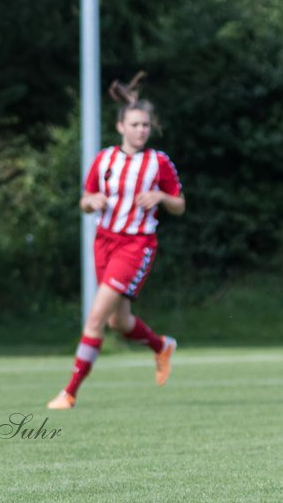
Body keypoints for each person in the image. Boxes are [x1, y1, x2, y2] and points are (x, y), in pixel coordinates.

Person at [47, 74, 184, 410]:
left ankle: (70, 392)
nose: (142, 130)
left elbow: (179, 205)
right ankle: (161, 346)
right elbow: (85, 198)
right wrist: (91, 202)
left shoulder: (159, 162)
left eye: (146, 125)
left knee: (94, 318)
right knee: (117, 322)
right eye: (135, 124)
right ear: (120, 126)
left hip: (136, 245)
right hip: (104, 242)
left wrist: (161, 196)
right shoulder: (104, 159)